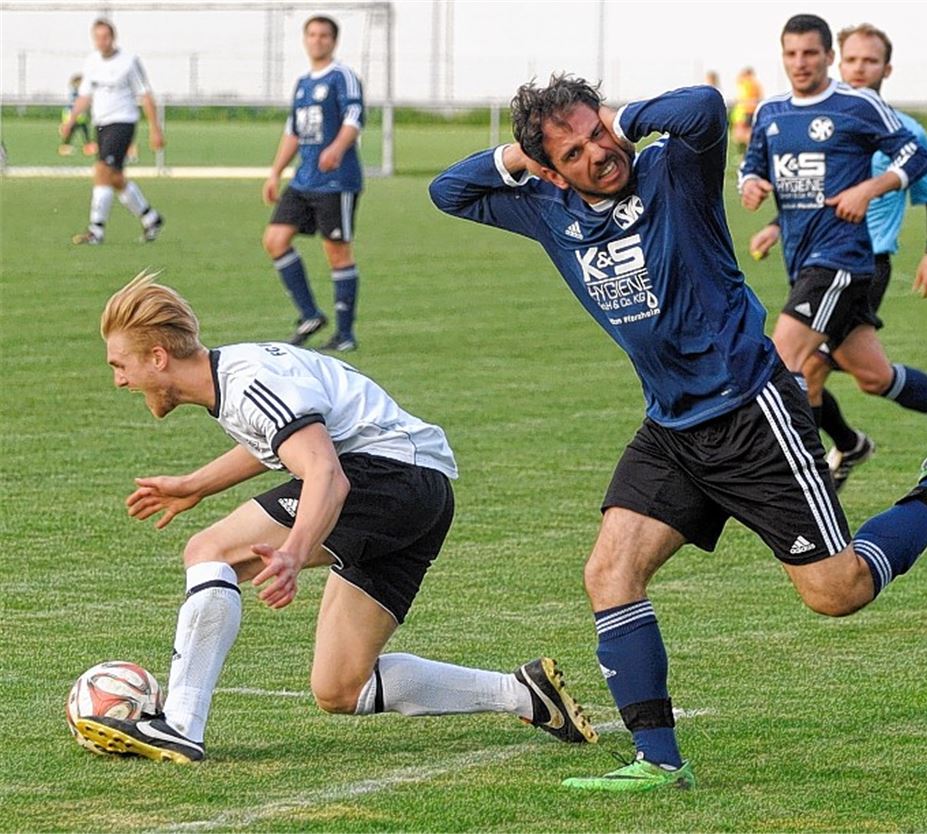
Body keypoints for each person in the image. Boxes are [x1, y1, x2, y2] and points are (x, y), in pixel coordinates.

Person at [429, 71, 927, 792]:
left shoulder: (671, 169)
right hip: (671, 426)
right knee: (609, 573)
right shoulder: (546, 210)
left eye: (600, 134)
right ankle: (659, 761)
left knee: (836, 593)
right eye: (577, 151)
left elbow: (703, 109)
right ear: (551, 171)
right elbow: (448, 191)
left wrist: (618, 117)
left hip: (750, 411)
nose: (600, 153)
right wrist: (528, 155)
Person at [76, 272, 597, 764]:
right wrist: (194, 485)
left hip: (387, 478)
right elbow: (281, 443)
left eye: (120, 366)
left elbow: (326, 475)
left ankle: (182, 726)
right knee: (341, 687)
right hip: (420, 495)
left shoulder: (249, 381)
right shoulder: (235, 379)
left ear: (159, 357)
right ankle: (522, 694)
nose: (119, 380)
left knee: (209, 551)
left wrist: (294, 552)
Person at [739, 15, 927, 482]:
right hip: (810, 259)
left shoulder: (883, 120)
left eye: (871, 60)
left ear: (886, 67)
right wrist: (770, 212)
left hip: (853, 262)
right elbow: (794, 180)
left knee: (790, 362)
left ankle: (806, 475)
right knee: (873, 376)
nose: (860, 68)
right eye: (854, 59)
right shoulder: (789, 114)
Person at [262, 15, 364, 351]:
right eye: (312, 35)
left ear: (333, 41)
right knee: (275, 240)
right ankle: (309, 314)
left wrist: (336, 148)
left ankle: (345, 335)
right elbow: (293, 130)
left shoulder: (343, 77)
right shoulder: (303, 83)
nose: (317, 40)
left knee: (336, 252)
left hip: (336, 182)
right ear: (305, 40)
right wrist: (276, 172)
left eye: (324, 35)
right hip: (304, 179)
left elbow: (354, 118)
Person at [59, 18, 164, 245]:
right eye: (97, 37)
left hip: (123, 122)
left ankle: (96, 230)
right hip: (102, 124)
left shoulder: (129, 61)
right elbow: (85, 95)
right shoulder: (92, 62)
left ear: (113, 37)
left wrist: (155, 130)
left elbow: (146, 95)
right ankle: (150, 218)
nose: (101, 42)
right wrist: (71, 120)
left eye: (105, 37)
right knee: (114, 177)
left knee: (101, 171)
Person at [58, 74, 94, 157]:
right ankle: (65, 147)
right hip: (72, 114)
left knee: (84, 129)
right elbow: (78, 103)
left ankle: (87, 146)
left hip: (79, 115)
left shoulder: (78, 92)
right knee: (74, 130)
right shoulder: (76, 92)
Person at [730, 66, 762, 151]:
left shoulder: (746, 84)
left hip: (745, 111)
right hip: (751, 110)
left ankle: (747, 148)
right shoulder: (755, 84)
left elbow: (743, 98)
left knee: (741, 133)